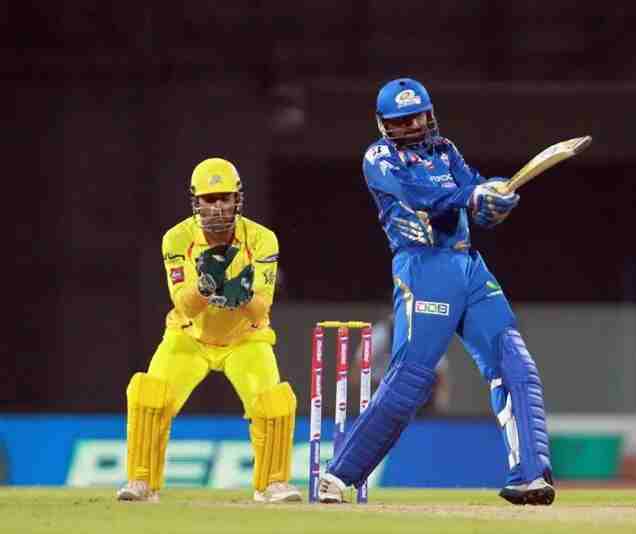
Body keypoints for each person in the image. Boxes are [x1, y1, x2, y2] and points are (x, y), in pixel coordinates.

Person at [319, 78, 555, 506]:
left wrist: (495, 198)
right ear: (384, 124)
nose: (413, 126)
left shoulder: (446, 150)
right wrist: (473, 195)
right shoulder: (379, 157)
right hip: (424, 267)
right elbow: (420, 195)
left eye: (418, 116)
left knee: (515, 364)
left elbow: (474, 196)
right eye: (402, 120)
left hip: (469, 266)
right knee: (411, 378)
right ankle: (338, 476)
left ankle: (530, 476)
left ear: (429, 114)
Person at [116, 157, 301, 504]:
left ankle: (273, 483)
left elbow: (262, 308)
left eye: (224, 198)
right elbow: (184, 305)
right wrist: (205, 287)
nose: (217, 207)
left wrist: (242, 296)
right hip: (189, 337)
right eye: (209, 199)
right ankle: (141, 481)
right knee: (150, 397)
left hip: (246, 338)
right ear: (196, 201)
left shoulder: (263, 240)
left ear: (237, 199)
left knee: (272, 404)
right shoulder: (176, 239)